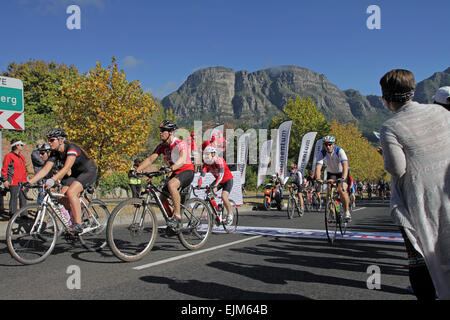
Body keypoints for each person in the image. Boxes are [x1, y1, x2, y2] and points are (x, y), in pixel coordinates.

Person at [379, 68, 450, 300]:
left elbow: (397, 169)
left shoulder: (391, 126)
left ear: (386, 99)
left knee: (419, 258)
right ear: (413, 90)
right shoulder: (442, 113)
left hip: (420, 200)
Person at [26, 129, 98, 234]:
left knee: (71, 192)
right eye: (48, 140)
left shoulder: (71, 149)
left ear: (60, 140)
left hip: (88, 171)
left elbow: (66, 168)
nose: (49, 142)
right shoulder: (55, 153)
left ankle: (78, 224)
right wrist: (29, 182)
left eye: (52, 140)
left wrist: (52, 180)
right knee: (61, 197)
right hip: (75, 174)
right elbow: (46, 169)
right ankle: (75, 216)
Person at [136, 120, 195, 233]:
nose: (160, 133)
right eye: (160, 131)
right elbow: (150, 159)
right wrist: (137, 170)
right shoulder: (162, 146)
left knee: (171, 184)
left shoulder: (179, 143)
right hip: (174, 171)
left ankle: (177, 216)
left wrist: (170, 169)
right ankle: (172, 222)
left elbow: (182, 160)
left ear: (171, 132)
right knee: (162, 198)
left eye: (163, 131)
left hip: (187, 170)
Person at [315, 135, 351, 221]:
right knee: (329, 189)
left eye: (330, 144)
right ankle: (331, 209)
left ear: (334, 144)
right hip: (331, 172)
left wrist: (343, 178)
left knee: (342, 190)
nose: (328, 146)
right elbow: (318, 168)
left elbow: (345, 166)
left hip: (342, 172)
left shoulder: (339, 151)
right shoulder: (322, 153)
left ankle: (347, 212)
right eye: (326, 144)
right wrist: (318, 179)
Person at [197, 146, 234, 223]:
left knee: (224, 197)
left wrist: (215, 185)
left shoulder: (219, 160)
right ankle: (217, 210)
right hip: (219, 181)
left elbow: (221, 176)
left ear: (213, 154)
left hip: (227, 180)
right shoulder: (206, 163)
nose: (206, 157)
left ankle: (230, 214)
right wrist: (199, 184)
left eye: (208, 154)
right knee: (209, 193)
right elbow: (202, 175)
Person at [1, 139, 28, 217]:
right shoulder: (9, 156)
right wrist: (5, 180)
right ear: (16, 146)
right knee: (14, 199)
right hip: (14, 181)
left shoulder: (22, 157)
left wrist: (25, 181)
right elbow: (4, 169)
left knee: (23, 198)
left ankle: (24, 215)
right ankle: (13, 215)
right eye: (21, 145)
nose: (22, 146)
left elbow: (24, 170)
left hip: (22, 181)